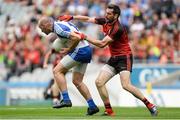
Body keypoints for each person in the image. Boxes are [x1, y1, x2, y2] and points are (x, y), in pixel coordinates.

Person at [58, 4, 158, 116]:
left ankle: (150, 105)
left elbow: (102, 44)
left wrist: (84, 36)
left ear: (116, 16)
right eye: (106, 12)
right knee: (99, 82)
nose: (106, 15)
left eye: (109, 14)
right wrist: (72, 17)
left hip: (124, 58)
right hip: (114, 58)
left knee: (126, 85)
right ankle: (109, 110)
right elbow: (87, 19)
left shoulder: (117, 28)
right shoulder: (105, 21)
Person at [38, 17, 99, 115]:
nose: (41, 30)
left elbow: (77, 38)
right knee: (77, 81)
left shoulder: (58, 29)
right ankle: (92, 106)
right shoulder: (60, 24)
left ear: (46, 25)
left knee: (56, 71)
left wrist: (69, 49)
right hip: (86, 49)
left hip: (80, 50)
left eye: (41, 28)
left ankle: (66, 99)